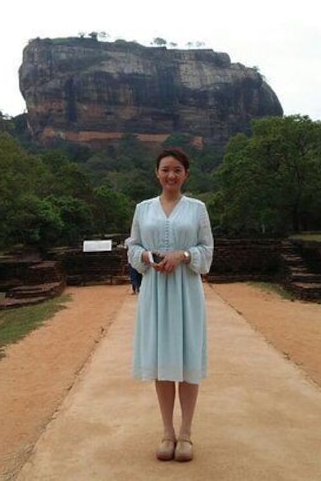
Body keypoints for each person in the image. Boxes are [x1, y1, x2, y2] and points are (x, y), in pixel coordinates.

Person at [126, 147, 214, 462]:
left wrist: (184, 255)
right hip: (155, 292)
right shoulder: (143, 209)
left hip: (186, 291)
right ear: (157, 173)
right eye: (165, 169)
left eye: (177, 170)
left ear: (185, 174)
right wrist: (147, 257)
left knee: (187, 357)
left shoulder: (197, 208)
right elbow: (133, 246)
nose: (171, 175)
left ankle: (186, 433)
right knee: (163, 359)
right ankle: (167, 432)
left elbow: (207, 249)